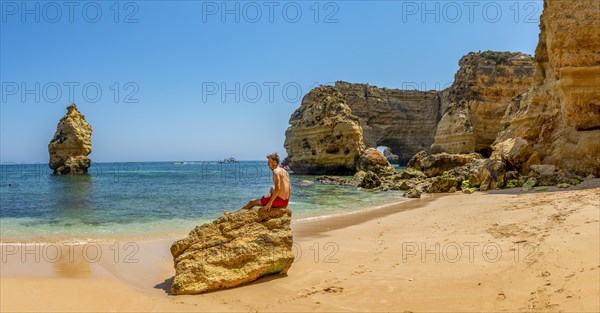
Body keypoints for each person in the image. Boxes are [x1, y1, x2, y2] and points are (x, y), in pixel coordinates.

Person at [224, 152, 291, 215]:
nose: (268, 164)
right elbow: (289, 187)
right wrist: (286, 203)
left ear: (275, 162)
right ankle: (267, 199)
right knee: (272, 188)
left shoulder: (276, 172)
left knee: (252, 202)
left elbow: (278, 189)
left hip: (279, 201)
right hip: (285, 201)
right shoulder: (284, 171)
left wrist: (269, 204)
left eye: (269, 162)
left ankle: (234, 214)